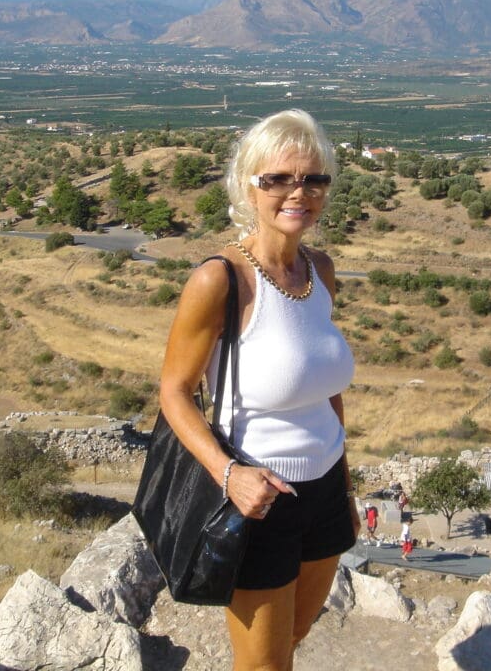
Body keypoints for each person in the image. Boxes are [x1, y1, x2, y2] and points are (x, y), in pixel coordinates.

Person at [158, 109, 358, 671]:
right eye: (278, 179)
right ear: (248, 187)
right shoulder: (219, 280)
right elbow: (173, 392)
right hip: (259, 497)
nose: (300, 192)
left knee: (292, 641)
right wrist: (230, 474)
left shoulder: (321, 270)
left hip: (324, 492)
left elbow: (326, 390)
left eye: (313, 178)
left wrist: (344, 484)